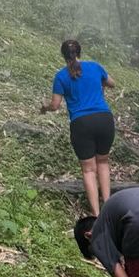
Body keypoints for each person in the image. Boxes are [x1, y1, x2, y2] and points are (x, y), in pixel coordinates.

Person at [42, 38, 116, 215]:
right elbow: (112, 83)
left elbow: (55, 105)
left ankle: (97, 216)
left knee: (89, 170)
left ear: (63, 55)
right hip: (104, 119)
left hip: (81, 124)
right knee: (103, 162)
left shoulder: (61, 76)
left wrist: (44, 107)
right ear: (79, 52)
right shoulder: (95, 67)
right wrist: (100, 83)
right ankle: (109, 207)